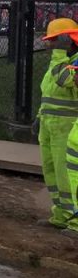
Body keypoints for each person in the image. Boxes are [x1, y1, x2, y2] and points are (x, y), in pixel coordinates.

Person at [37, 18, 78, 232]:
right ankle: (61, 215)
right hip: (49, 126)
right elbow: (48, 91)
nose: (49, 44)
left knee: (67, 176)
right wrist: (39, 116)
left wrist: (59, 54)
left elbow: (64, 79)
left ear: (67, 40)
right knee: (52, 173)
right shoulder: (60, 61)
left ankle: (75, 221)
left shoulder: (69, 61)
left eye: (53, 40)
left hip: (68, 128)